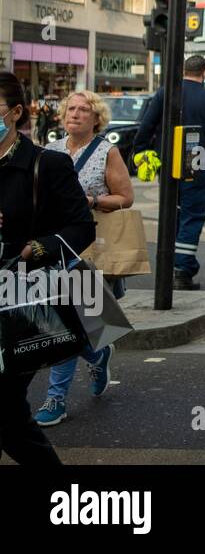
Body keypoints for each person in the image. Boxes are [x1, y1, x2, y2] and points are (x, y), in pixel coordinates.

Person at [0, 72, 96, 464]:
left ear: (16, 112)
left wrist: (31, 250)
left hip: (23, 298)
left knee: (5, 407)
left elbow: (81, 226)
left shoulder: (47, 164)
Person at [36, 91, 135, 427]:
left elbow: (126, 198)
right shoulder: (49, 151)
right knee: (68, 322)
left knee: (69, 322)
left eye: (83, 110)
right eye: (71, 108)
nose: (75, 114)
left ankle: (56, 398)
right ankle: (97, 353)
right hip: (54, 247)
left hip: (91, 246)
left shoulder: (107, 151)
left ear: (96, 118)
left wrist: (90, 200)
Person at [135, 55, 205, 290]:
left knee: (172, 213)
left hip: (168, 164)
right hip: (195, 165)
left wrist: (140, 153)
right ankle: (183, 269)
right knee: (192, 215)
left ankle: (170, 264)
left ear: (182, 71)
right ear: (204, 73)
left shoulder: (164, 94)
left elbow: (146, 125)